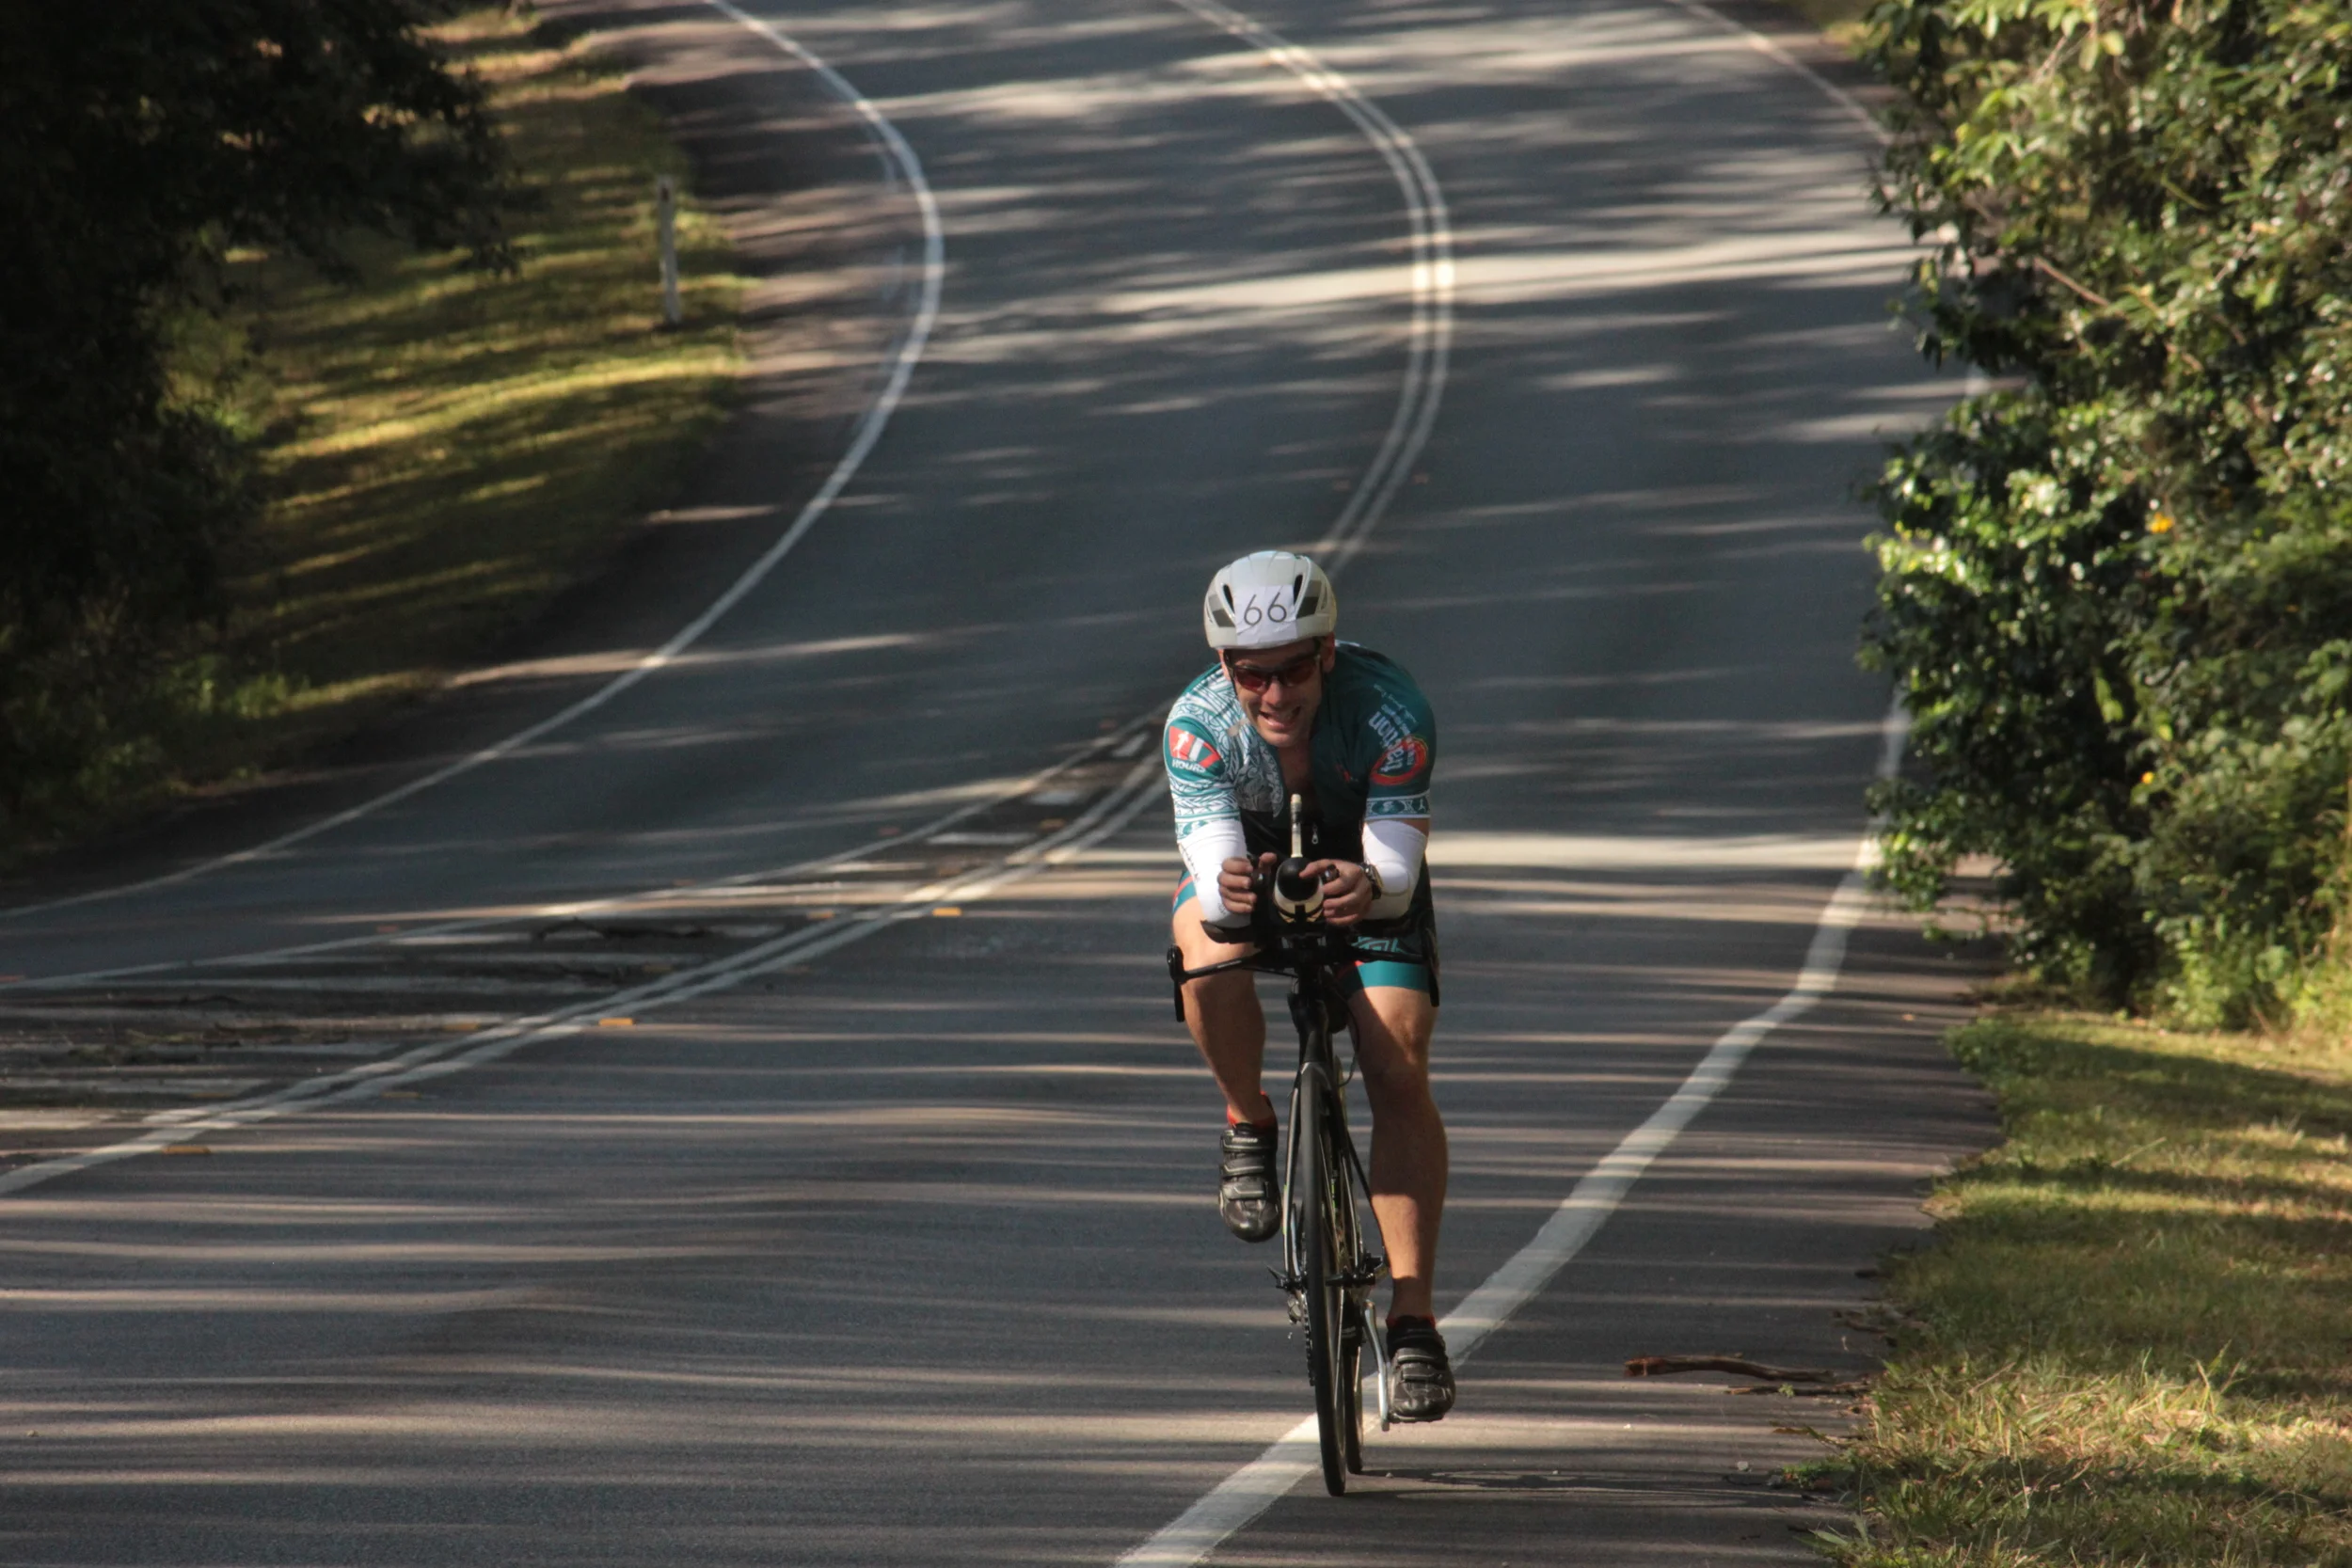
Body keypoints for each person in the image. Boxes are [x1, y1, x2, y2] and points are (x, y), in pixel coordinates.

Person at [1164, 549, 1455, 1421]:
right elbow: (1217, 888)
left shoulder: (1392, 711)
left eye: (1293, 669)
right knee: (1206, 953)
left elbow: (1396, 877)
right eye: (1252, 674)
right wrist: (1236, 891)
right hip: (1253, 871)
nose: (1275, 694)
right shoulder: (1196, 726)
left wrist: (1367, 884)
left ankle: (1413, 1319)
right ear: (1225, 666)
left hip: (1367, 873)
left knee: (1396, 1062)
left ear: (1327, 652)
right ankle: (1248, 1118)